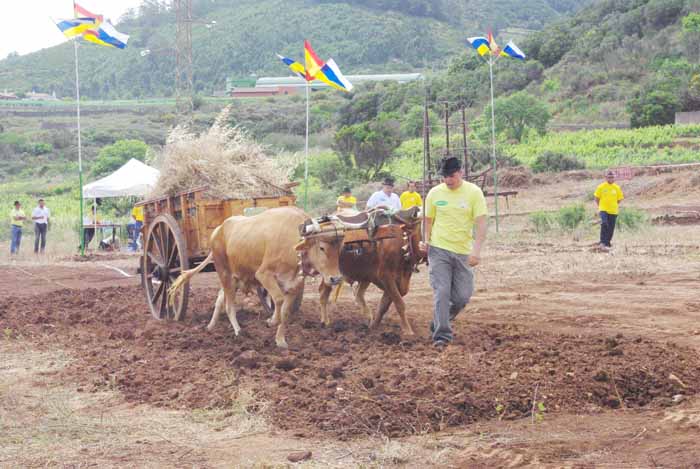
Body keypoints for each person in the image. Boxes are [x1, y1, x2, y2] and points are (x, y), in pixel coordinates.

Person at [422, 156, 488, 349]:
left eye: (451, 176)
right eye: (444, 177)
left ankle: (440, 319)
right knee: (441, 291)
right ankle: (442, 336)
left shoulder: (474, 193)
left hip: (463, 252)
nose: (448, 181)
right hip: (439, 249)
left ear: (460, 172)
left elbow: (481, 223)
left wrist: (476, 251)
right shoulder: (434, 193)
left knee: (462, 297)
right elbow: (427, 220)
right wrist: (425, 240)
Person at [594, 170, 624, 250]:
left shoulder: (617, 188)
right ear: (606, 178)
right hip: (603, 209)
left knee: (611, 227)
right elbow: (597, 198)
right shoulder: (601, 187)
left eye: (612, 177)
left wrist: (613, 205)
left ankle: (607, 243)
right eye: (609, 177)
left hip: (613, 211)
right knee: (604, 223)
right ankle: (602, 242)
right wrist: (600, 206)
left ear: (614, 178)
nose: (610, 178)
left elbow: (619, 199)